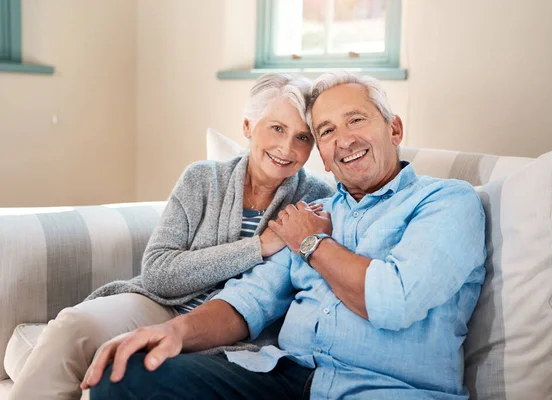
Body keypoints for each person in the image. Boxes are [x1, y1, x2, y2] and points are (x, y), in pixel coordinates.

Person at [84, 71, 487, 400]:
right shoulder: (314, 213)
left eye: (356, 120)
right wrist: (176, 332)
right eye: (326, 131)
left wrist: (314, 244)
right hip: (283, 379)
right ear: (324, 158)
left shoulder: (447, 202)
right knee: (125, 377)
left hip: (383, 389)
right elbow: (249, 299)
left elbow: (394, 300)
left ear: (394, 129)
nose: (343, 140)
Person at [8, 73, 334, 400]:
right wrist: (258, 247)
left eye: (303, 138)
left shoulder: (316, 198)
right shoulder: (202, 179)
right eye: (276, 128)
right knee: (71, 326)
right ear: (248, 127)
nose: (287, 148)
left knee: (123, 367)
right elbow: (159, 274)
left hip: (238, 331)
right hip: (163, 304)